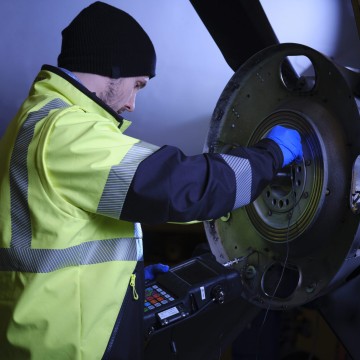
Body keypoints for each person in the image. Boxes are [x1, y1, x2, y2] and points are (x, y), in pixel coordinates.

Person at [0, 2, 303, 359]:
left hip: (56, 332)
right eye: (138, 84)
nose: (132, 104)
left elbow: (62, 235)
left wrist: (125, 281)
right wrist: (272, 155)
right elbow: (183, 189)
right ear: (113, 67)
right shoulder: (64, 132)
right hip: (70, 348)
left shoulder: (40, 118)